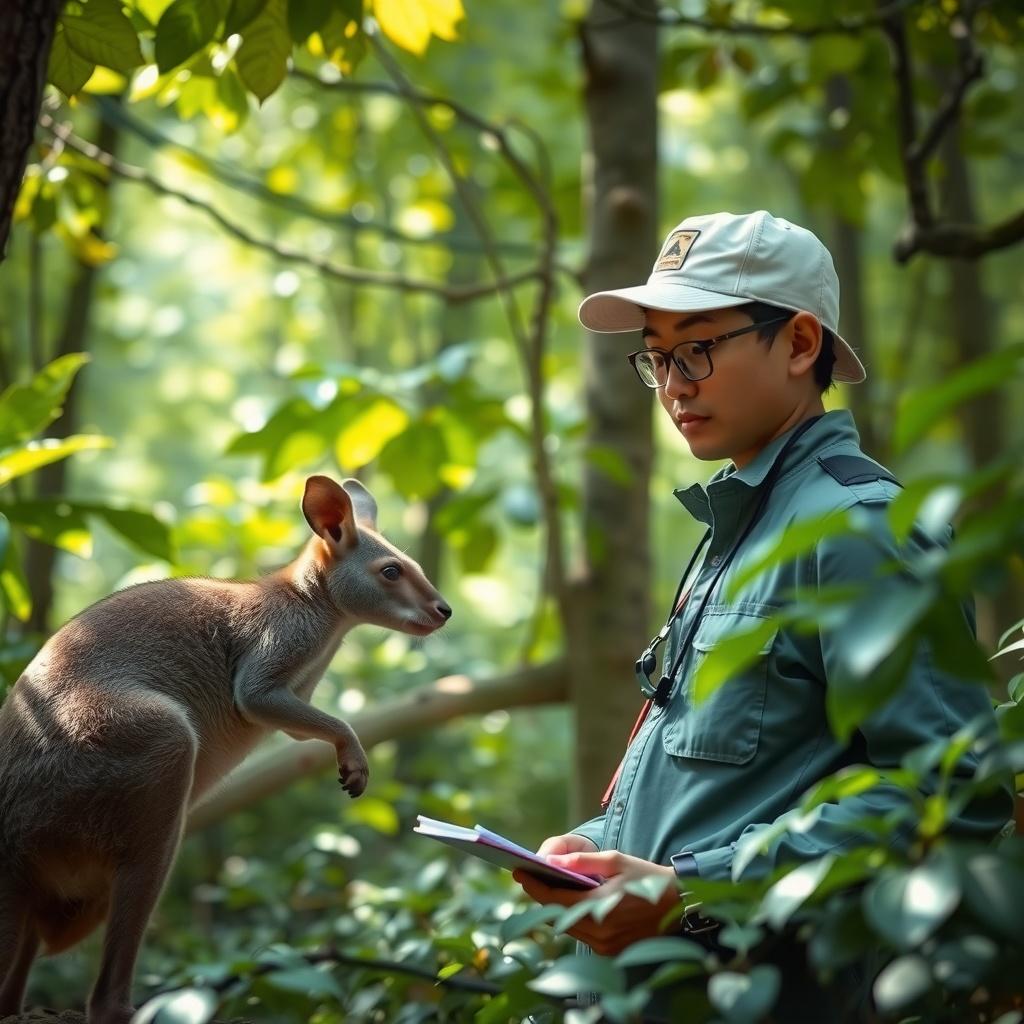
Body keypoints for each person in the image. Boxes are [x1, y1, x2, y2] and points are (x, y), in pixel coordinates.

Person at [513, 211, 1011, 973]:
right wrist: (596, 849)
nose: (673, 386)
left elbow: (951, 796)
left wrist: (692, 891)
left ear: (801, 344)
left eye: (697, 350)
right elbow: (740, 785)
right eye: (656, 358)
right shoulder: (741, 525)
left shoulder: (858, 528)